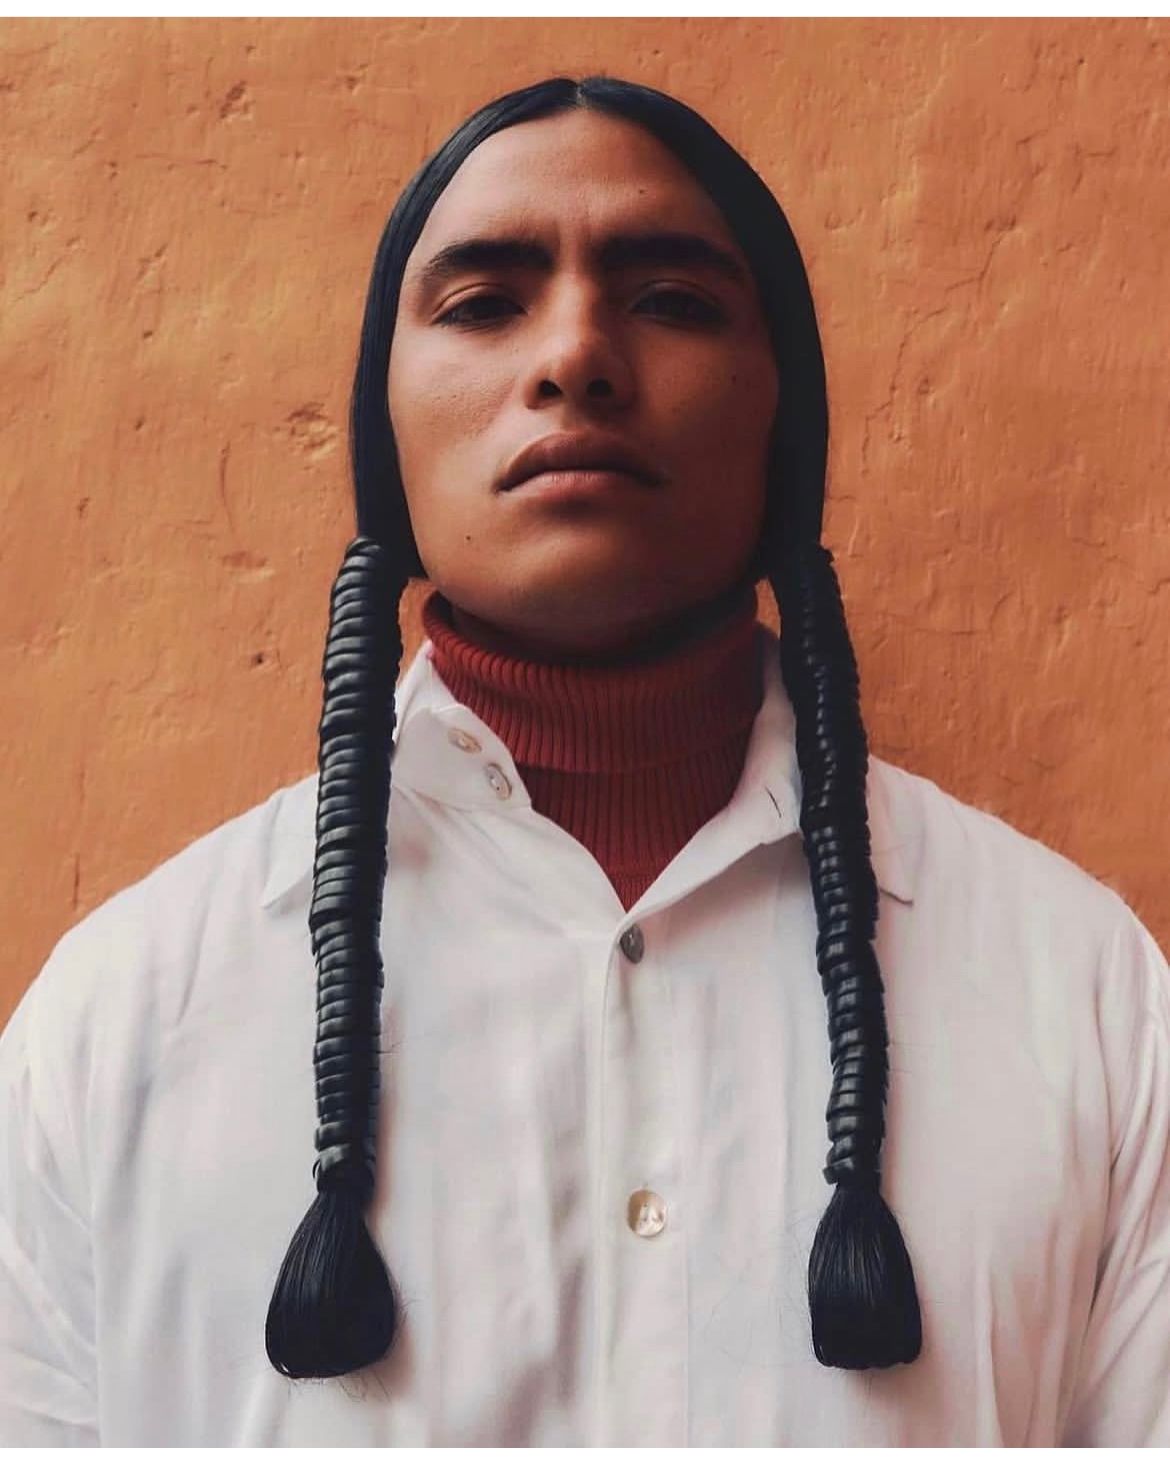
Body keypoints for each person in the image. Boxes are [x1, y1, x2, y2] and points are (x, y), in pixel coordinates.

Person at [1, 73, 1167, 1447]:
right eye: (483, 301)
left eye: (671, 299)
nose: (575, 356)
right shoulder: (121, 1021)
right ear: (383, 425)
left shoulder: (1084, 997)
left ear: (782, 419)